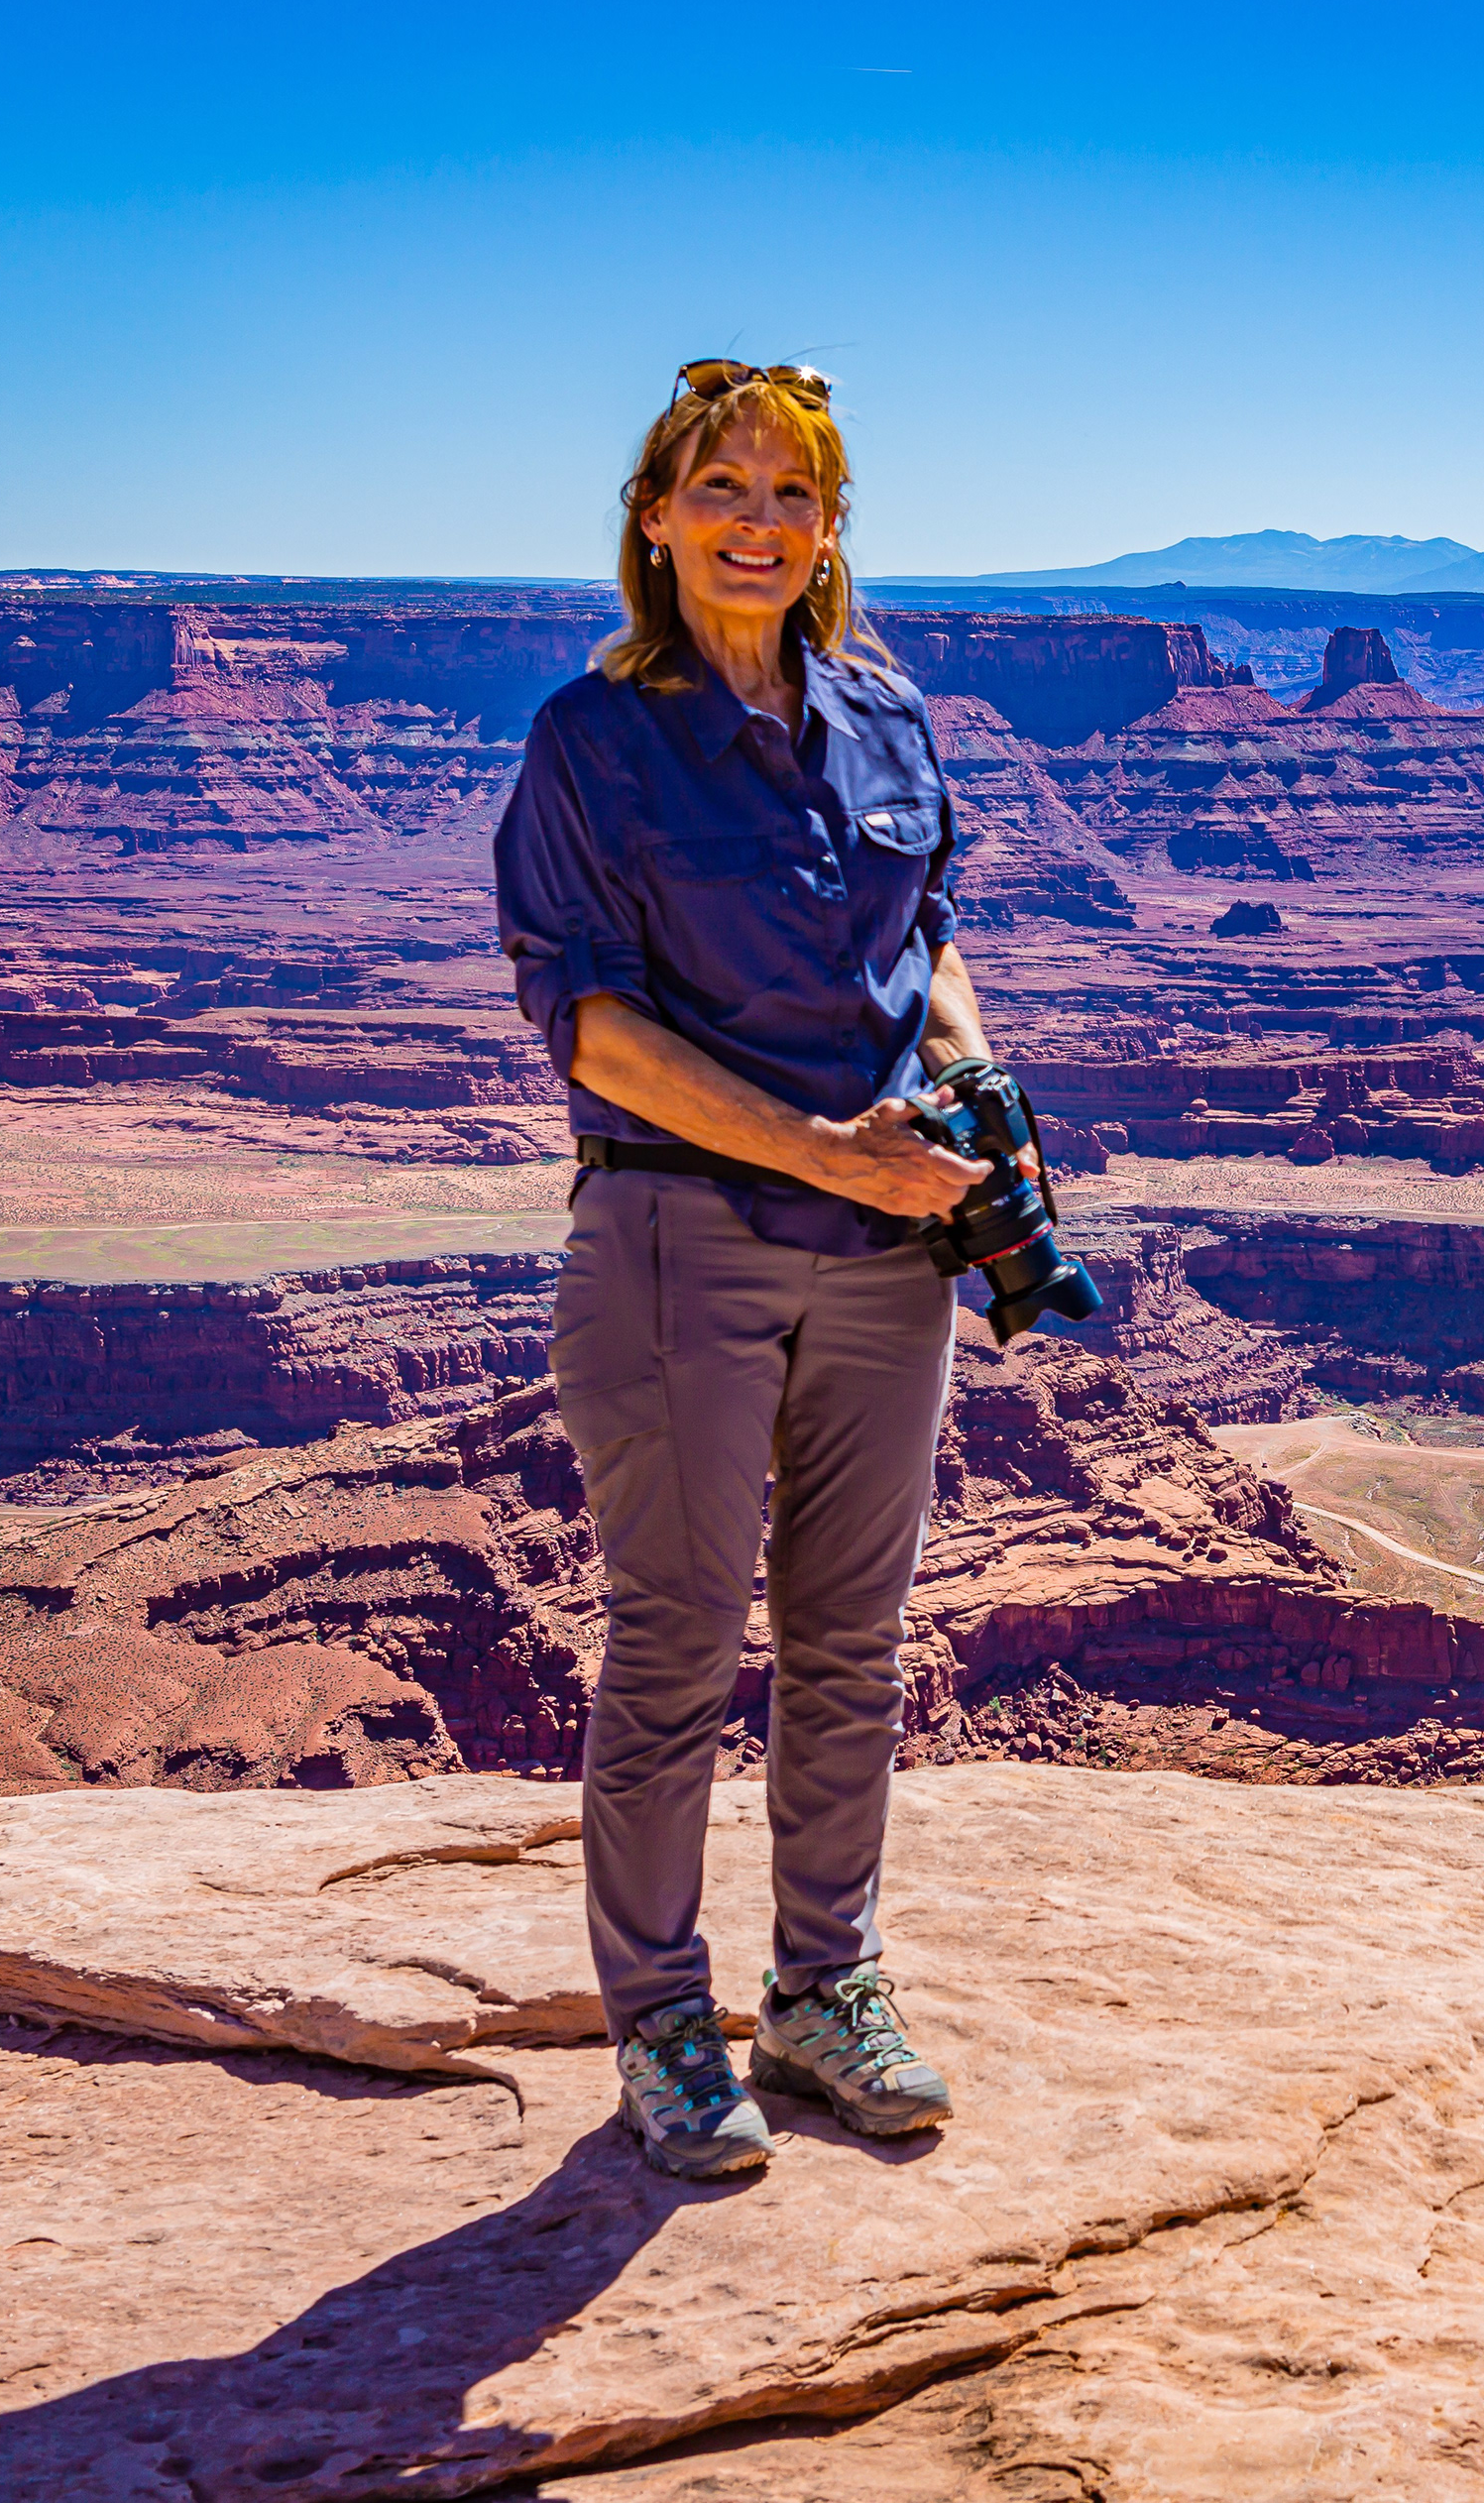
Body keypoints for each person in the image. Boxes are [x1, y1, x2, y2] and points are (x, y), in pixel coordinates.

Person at [492, 359, 994, 2178]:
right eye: (723, 488)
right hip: (675, 1243)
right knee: (681, 1641)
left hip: (884, 1250)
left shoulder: (886, 721)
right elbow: (595, 1033)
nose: (758, 523)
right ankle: (658, 2024)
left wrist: (972, 1077)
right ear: (655, 516)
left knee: (853, 1638)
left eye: (793, 494)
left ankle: (822, 1991)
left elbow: (927, 940)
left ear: (831, 526)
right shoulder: (590, 741)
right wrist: (816, 1152)